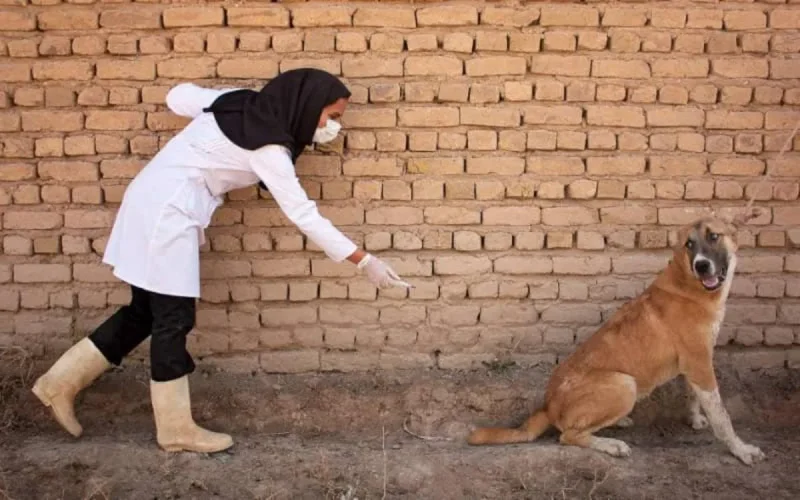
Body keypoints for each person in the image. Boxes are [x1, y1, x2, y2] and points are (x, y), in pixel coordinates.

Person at [32, 68, 411, 454]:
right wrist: (365, 261)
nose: (332, 126)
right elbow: (304, 215)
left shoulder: (239, 101)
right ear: (307, 106)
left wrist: (212, 99)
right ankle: (176, 429)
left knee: (144, 313)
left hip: (151, 199)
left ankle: (58, 384)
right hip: (169, 215)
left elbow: (177, 97)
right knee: (173, 319)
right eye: (330, 115)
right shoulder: (269, 150)